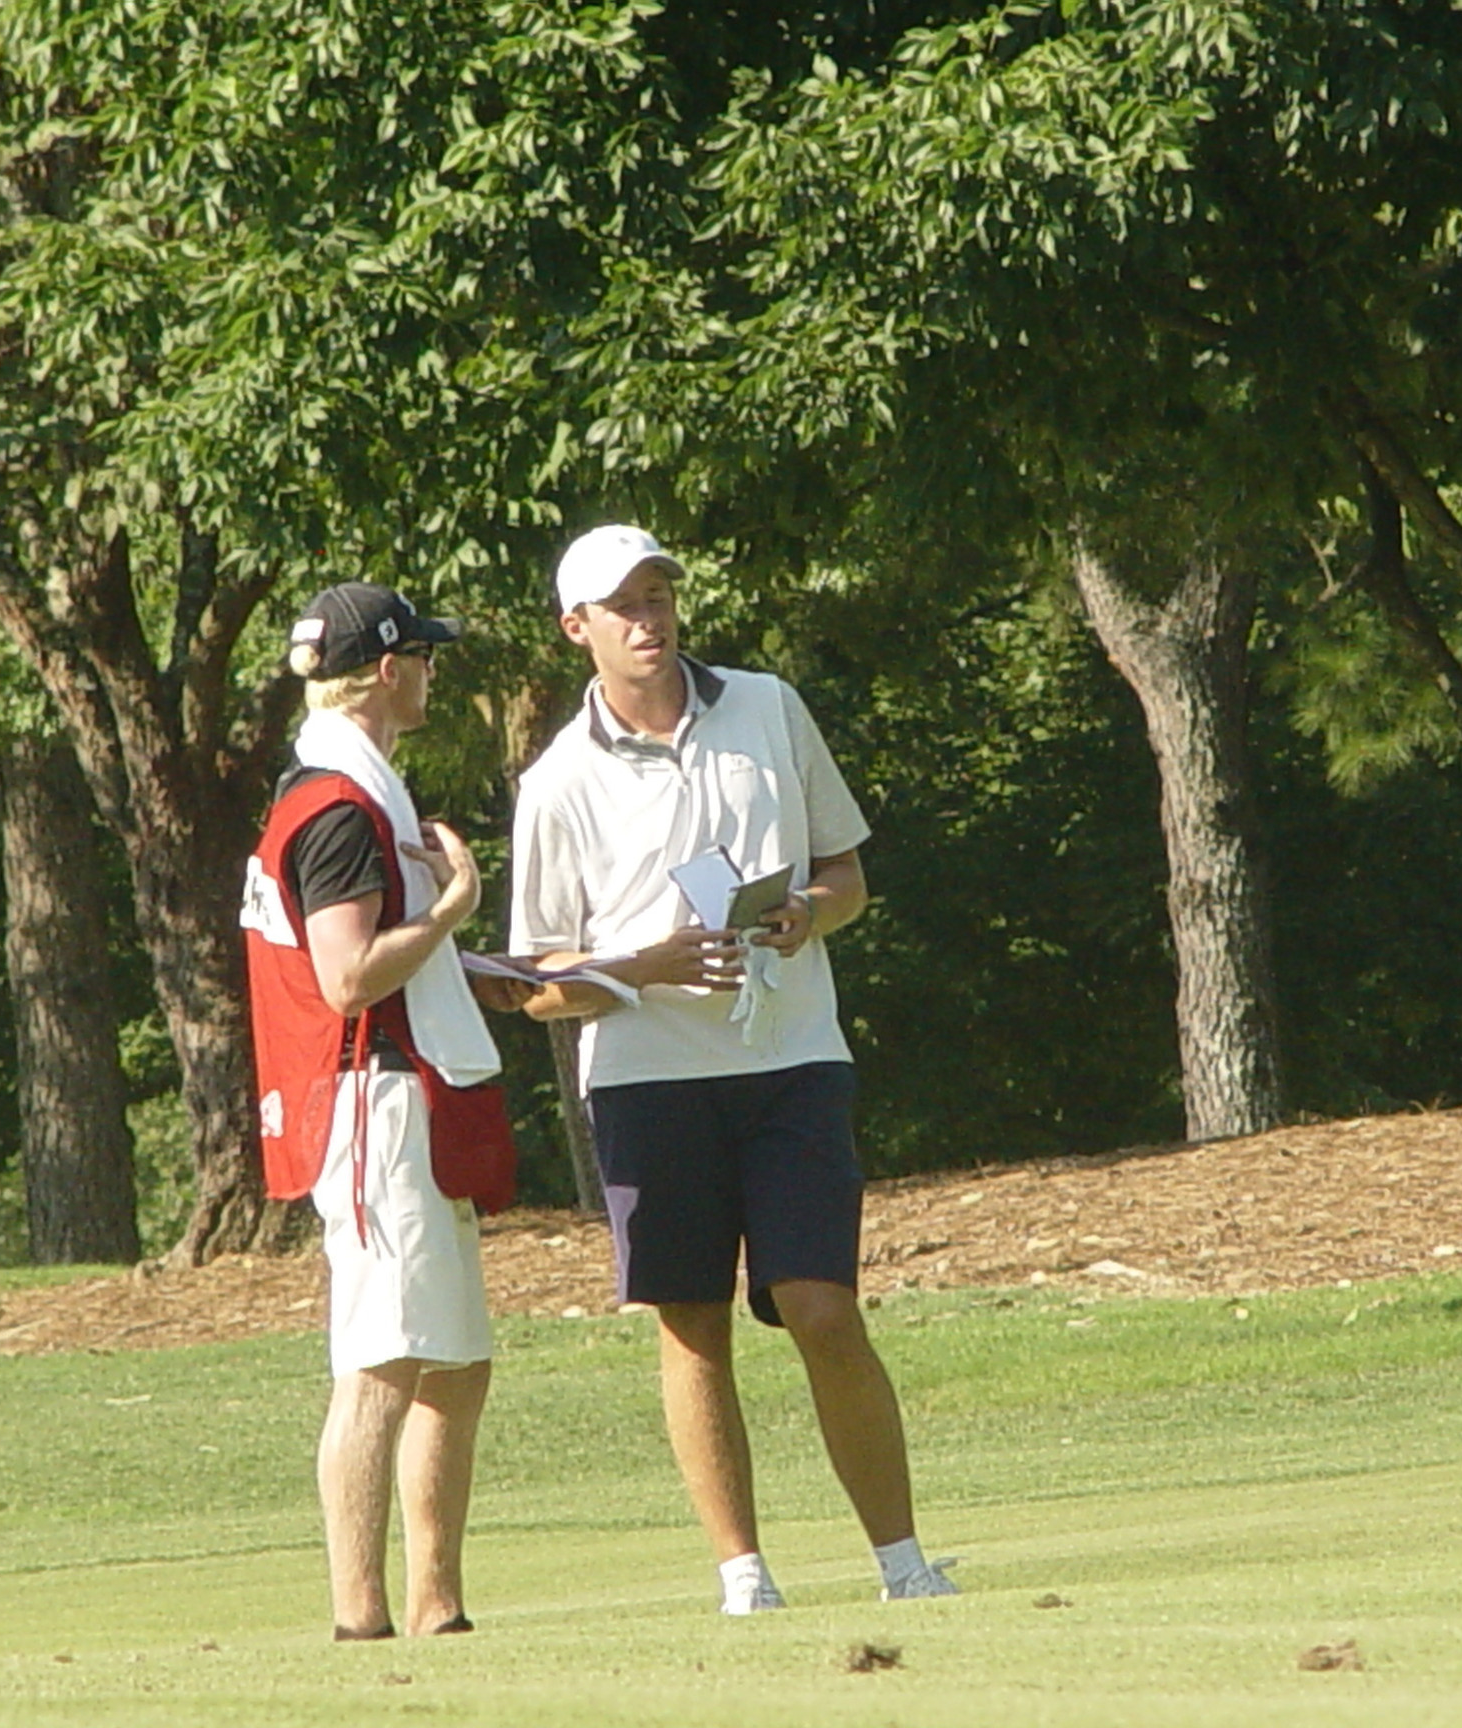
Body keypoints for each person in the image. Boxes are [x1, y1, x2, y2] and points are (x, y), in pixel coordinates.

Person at [509, 524, 956, 1614]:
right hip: (645, 1076)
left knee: (820, 1306)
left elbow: (845, 873)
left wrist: (807, 910)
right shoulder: (556, 779)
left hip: (790, 1054)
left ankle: (902, 1564)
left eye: (658, 595)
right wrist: (644, 966)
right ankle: (742, 1576)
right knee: (690, 1319)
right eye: (621, 605)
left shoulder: (767, 706)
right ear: (578, 630)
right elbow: (536, 979)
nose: (648, 618)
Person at [240, 581, 527, 1641]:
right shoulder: (339, 810)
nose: (434, 675)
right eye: (426, 658)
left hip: (403, 1095)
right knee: (381, 1364)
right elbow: (349, 975)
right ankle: (360, 1615)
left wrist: (479, 966)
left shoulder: (340, 790)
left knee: (453, 1359)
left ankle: (435, 1606)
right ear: (392, 669)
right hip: (373, 1103)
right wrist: (455, 906)